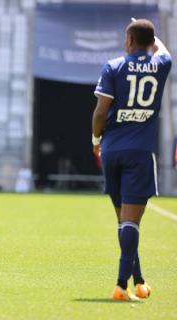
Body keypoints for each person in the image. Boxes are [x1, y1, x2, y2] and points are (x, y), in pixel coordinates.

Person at [92, 18, 171, 300]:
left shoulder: (113, 66)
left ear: (127, 41)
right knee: (132, 224)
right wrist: (153, 38)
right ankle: (120, 285)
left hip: (112, 150)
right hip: (140, 152)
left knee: (123, 222)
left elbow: (101, 111)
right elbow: (163, 50)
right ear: (150, 42)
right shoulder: (162, 64)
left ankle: (139, 281)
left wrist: (96, 139)